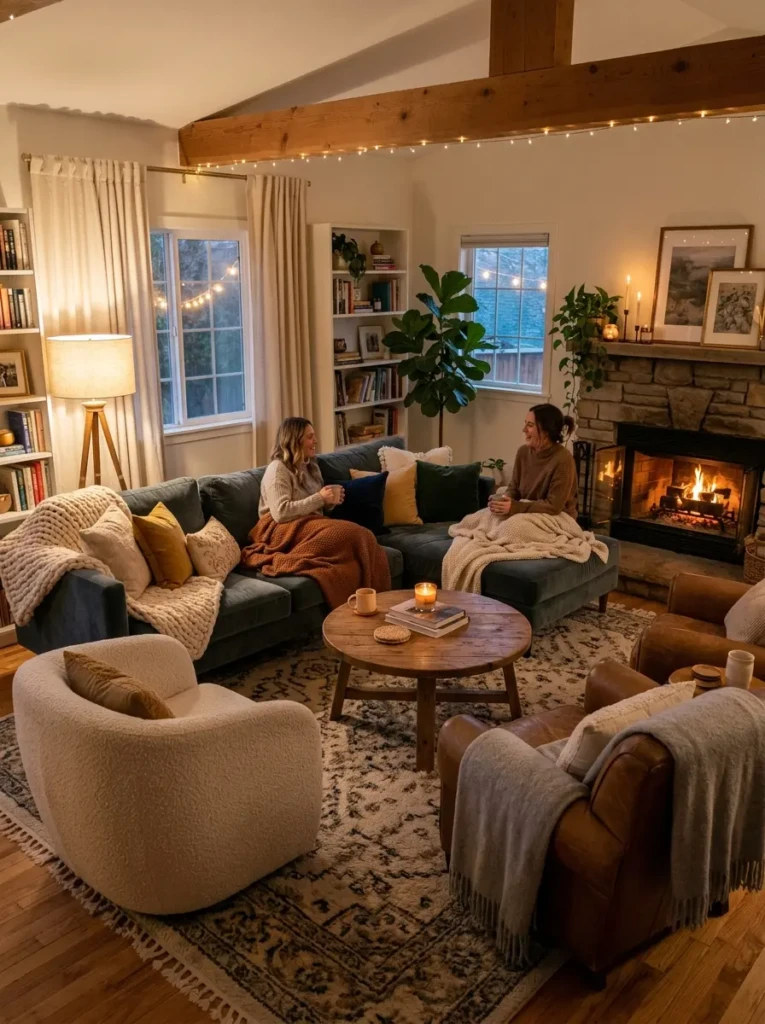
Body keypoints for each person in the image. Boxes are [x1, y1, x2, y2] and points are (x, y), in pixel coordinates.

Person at [242, 417, 391, 607]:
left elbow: (315, 507)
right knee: (357, 534)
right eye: (310, 437)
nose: (316, 441)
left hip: (309, 523)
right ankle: (373, 602)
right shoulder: (278, 469)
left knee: (355, 556)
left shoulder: (312, 466)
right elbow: (280, 512)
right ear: (295, 440)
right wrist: (320, 498)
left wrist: (330, 502)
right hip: (279, 529)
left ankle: (374, 604)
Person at [489, 403, 578, 518]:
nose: (524, 430)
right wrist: (504, 501)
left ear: (546, 430)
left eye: (530, 425)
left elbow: (554, 506)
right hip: (526, 511)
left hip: (556, 517)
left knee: (510, 529)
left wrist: (515, 507)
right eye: (525, 424)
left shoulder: (563, 460)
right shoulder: (523, 452)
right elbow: (514, 488)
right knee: (483, 518)